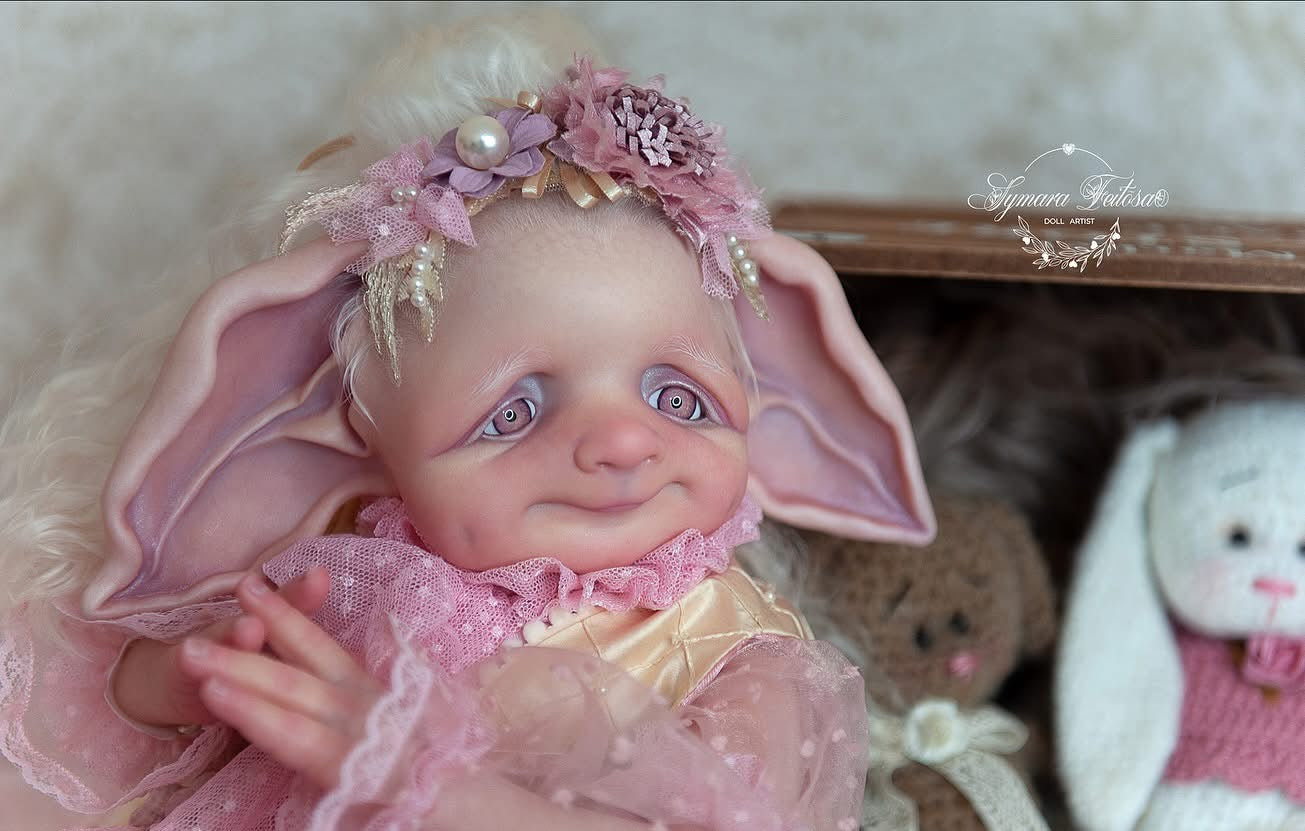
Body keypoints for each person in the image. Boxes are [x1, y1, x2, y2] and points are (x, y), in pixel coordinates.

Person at [0, 16, 934, 830]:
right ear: (365, 432)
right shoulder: (358, 583)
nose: (622, 443)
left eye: (678, 398)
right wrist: (187, 681)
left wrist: (424, 781)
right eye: (514, 412)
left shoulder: (734, 649)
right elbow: (118, 708)